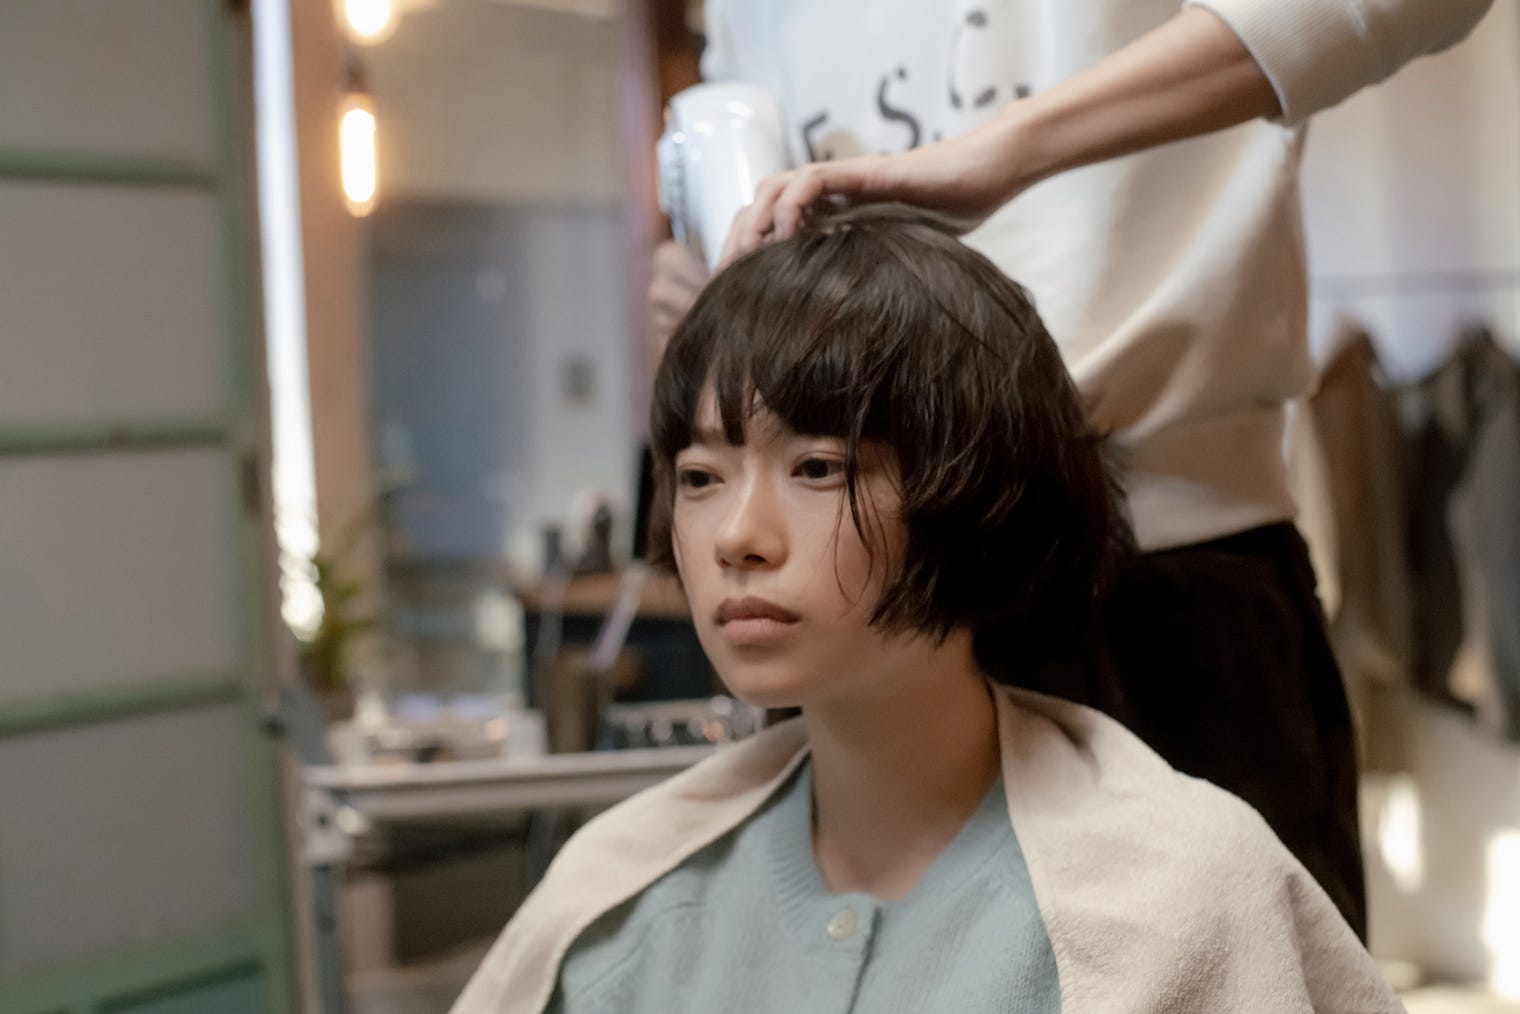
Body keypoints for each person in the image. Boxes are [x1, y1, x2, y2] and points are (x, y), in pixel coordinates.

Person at [648, 0, 1496, 939]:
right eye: (700, 479)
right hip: (855, 641)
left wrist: (1007, 152)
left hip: (1163, 578)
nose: (734, 535)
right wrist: (724, 291)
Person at [453, 207, 1400, 1014]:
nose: (737, 535)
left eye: (817, 468)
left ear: (975, 496)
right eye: (701, 477)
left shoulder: (1185, 895)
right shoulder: (622, 909)